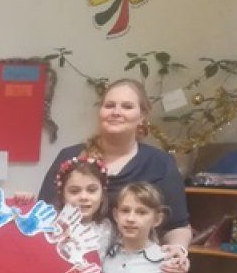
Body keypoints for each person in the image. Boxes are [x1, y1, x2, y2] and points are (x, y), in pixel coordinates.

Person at [38, 78, 190, 250]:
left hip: (134, 262)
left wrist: (178, 250)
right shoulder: (69, 157)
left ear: (142, 115)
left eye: (127, 106)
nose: (116, 112)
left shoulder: (161, 163)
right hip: (73, 259)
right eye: (109, 105)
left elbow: (178, 226)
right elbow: (44, 213)